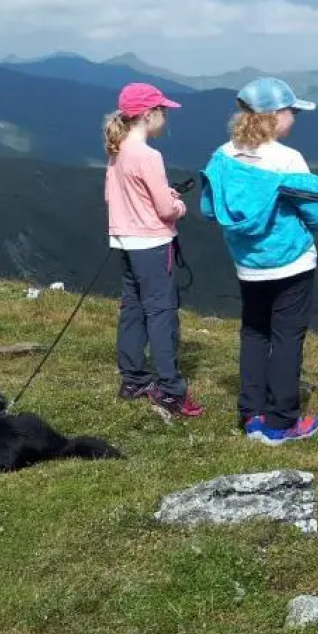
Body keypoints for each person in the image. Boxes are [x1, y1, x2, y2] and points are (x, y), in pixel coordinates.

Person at [201, 78, 318, 445]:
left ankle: (252, 414)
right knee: (287, 335)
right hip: (291, 262)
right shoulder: (288, 160)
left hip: (248, 263)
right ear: (274, 116)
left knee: (254, 332)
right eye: (292, 111)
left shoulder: (222, 156)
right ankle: (282, 421)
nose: (295, 118)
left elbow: (210, 209)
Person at [104, 83, 203, 418]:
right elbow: (164, 209)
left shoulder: (116, 150)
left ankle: (133, 379)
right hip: (153, 243)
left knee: (132, 307)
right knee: (161, 312)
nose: (165, 119)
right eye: (162, 112)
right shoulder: (149, 155)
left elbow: (110, 197)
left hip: (124, 239)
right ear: (147, 115)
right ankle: (170, 390)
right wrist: (178, 205)